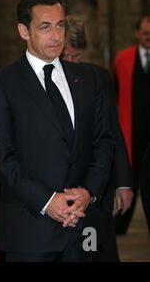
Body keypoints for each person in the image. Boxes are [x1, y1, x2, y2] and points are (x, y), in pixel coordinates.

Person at [0, 0, 114, 262]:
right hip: (30, 230)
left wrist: (88, 192)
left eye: (60, 25)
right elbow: (1, 157)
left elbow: (103, 141)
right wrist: (47, 201)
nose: (56, 36)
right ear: (23, 30)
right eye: (45, 27)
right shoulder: (0, 84)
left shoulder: (89, 79)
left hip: (81, 228)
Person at [62, 15, 133, 261]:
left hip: (97, 181)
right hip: (61, 186)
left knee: (99, 250)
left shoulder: (99, 77)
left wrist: (123, 182)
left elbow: (113, 131)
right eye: (66, 56)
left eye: (76, 56)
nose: (71, 62)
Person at [116, 16, 150, 234]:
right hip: (133, 132)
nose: (149, 37)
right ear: (137, 34)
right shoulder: (123, 59)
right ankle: (119, 225)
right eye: (145, 32)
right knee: (129, 181)